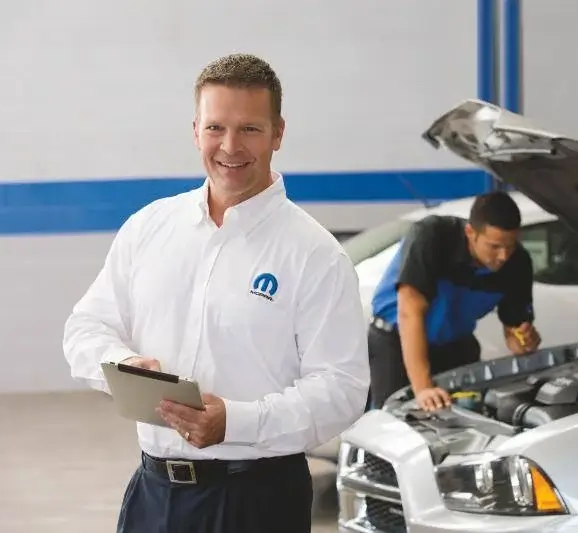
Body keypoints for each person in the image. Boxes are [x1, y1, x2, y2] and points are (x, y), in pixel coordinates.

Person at [62, 53, 370, 533]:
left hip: (258, 500)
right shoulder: (149, 228)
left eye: (249, 129)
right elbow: (86, 327)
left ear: (278, 133)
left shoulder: (315, 254)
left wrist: (238, 422)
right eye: (215, 128)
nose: (230, 146)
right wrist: (122, 366)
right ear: (195, 131)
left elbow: (342, 390)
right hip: (154, 495)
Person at [367, 191, 541, 412]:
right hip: (396, 342)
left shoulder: (518, 263)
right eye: (494, 246)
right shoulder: (432, 236)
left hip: (455, 345)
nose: (503, 256)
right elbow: (409, 313)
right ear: (470, 232)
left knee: (468, 415)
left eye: (510, 245)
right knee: (393, 419)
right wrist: (423, 388)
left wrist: (524, 341)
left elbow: (513, 332)